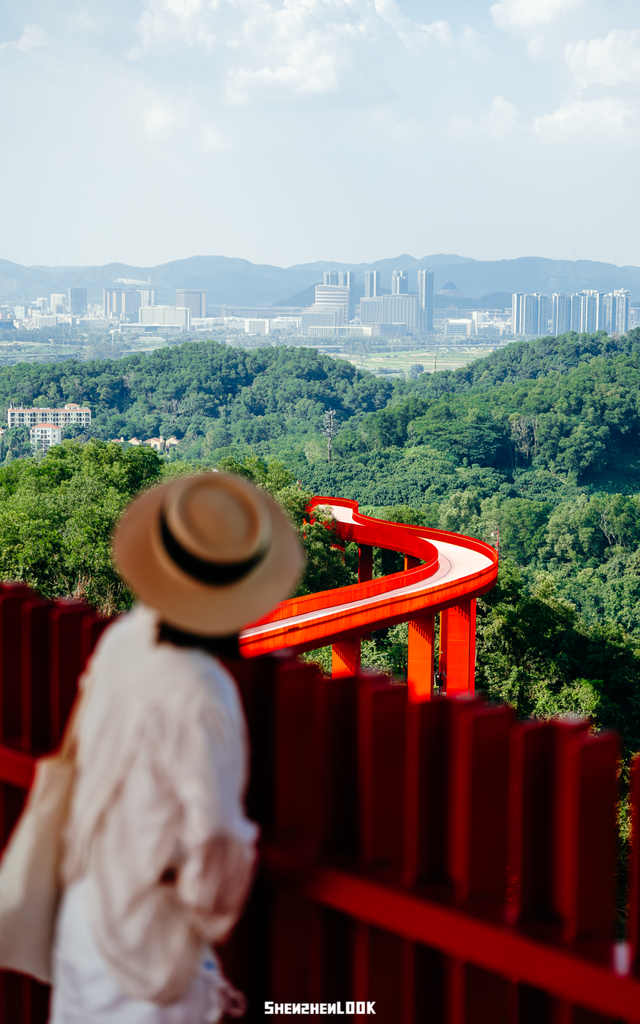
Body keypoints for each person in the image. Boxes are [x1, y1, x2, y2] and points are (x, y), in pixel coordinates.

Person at [49, 473, 304, 1024]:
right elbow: (213, 835)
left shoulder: (126, 637)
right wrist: (209, 911)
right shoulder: (201, 691)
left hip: (84, 907)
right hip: (144, 941)